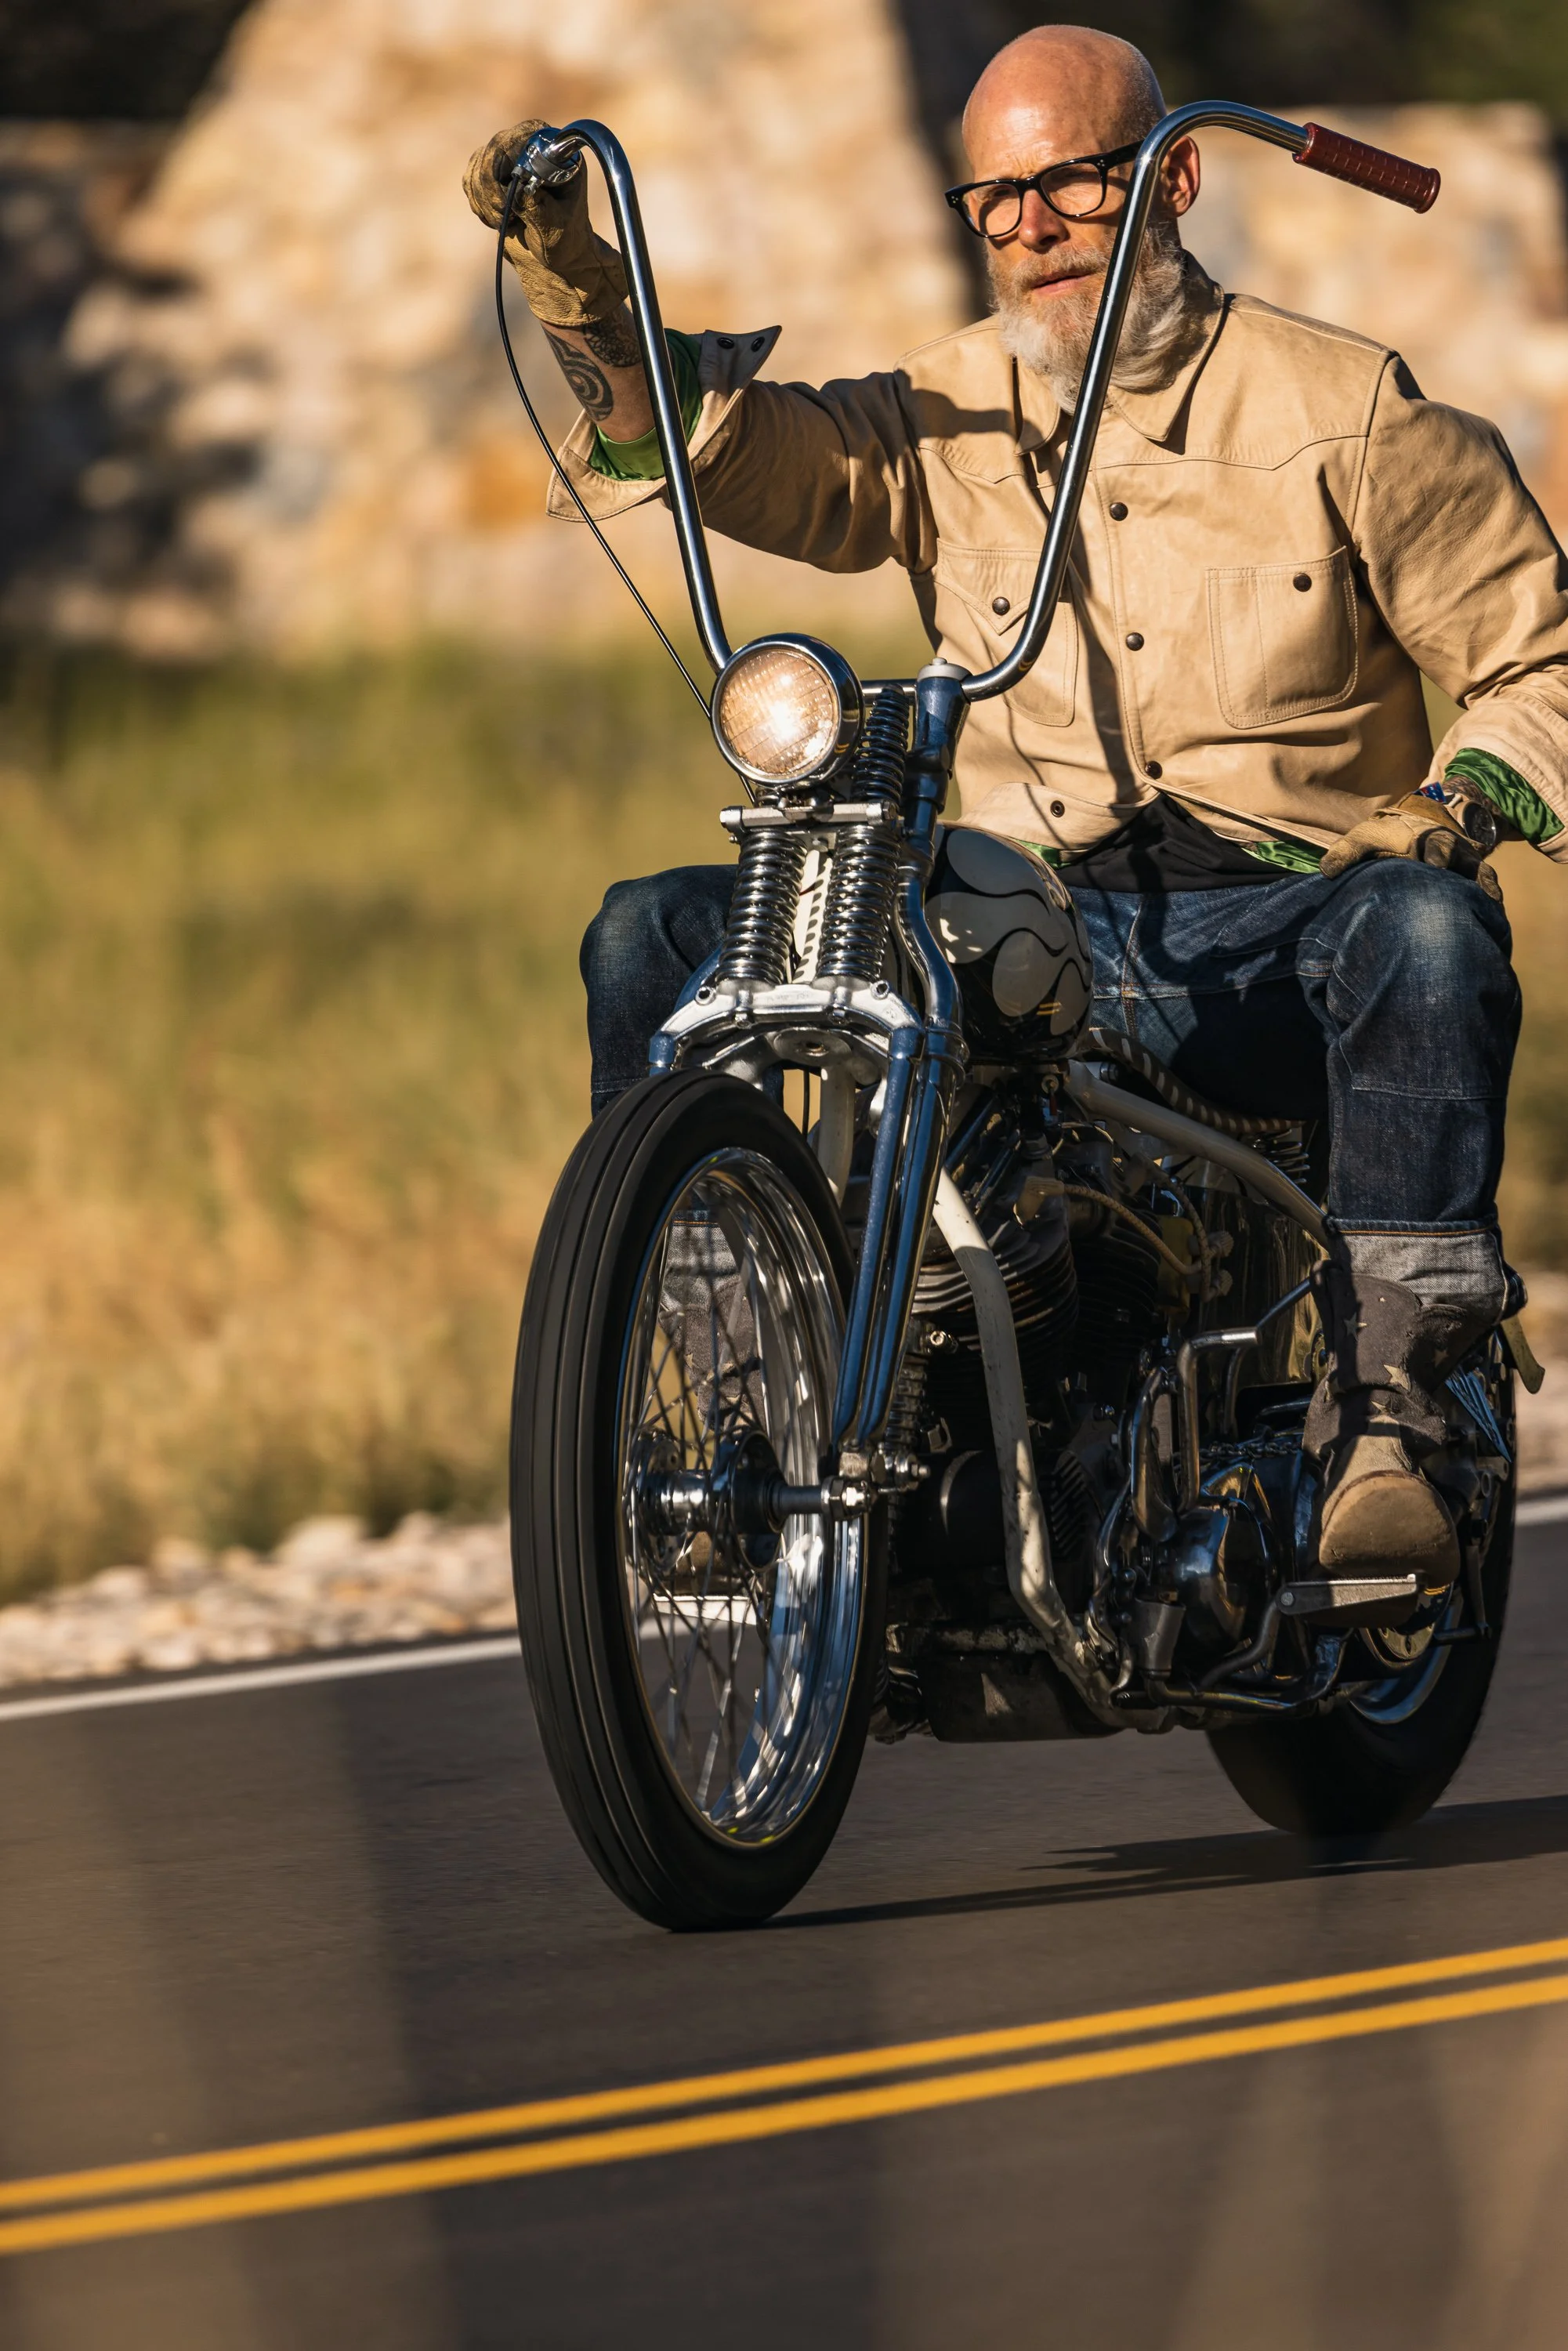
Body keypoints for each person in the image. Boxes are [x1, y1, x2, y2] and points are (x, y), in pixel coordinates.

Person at [464, 25, 1568, 1590]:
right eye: (994, 198)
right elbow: (731, 454)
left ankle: (1395, 1419)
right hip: (1018, 922)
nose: (1029, 226)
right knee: (655, 928)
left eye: (1069, 182)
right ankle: (706, 1383)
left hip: (1275, 926)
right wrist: (579, 283)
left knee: (1432, 928)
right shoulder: (936, 414)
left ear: (1175, 174)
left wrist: (1453, 805)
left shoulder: (1351, 413)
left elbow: (1544, 657)